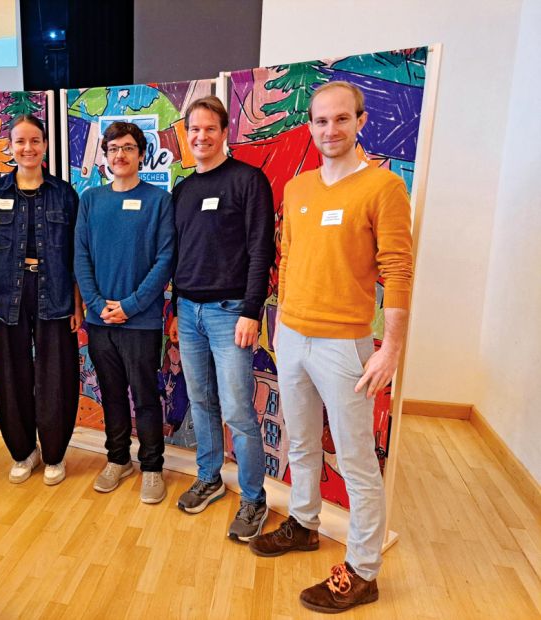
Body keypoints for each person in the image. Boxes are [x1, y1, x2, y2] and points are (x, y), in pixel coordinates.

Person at [249, 81, 413, 614]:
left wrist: (390, 348)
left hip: (346, 344)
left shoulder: (383, 188)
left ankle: (364, 571)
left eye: (342, 119)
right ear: (311, 126)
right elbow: (290, 260)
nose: (330, 130)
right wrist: (281, 327)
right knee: (300, 443)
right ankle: (303, 524)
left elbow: (397, 271)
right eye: (321, 121)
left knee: (357, 460)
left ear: (360, 121)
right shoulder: (298, 189)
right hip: (292, 336)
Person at [168, 96, 275, 541]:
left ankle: (253, 499)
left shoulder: (249, 181)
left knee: (236, 409)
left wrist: (251, 310)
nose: (200, 137)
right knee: (202, 401)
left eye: (209, 128)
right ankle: (210, 477)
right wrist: (175, 309)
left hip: (231, 313)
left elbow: (260, 250)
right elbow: (178, 254)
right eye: (194, 129)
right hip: (188, 311)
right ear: (186, 134)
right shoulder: (183, 189)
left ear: (224, 131)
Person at [0, 114, 82, 486]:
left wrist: (77, 305)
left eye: (35, 141)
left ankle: (53, 454)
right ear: (11, 146)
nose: (28, 148)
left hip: (56, 294)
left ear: (45, 145)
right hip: (5, 297)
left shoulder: (64, 193)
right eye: (20, 141)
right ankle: (23, 452)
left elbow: (75, 255)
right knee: (11, 376)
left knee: (56, 377)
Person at [74, 121, 175, 504]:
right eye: (113, 148)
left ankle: (151, 467)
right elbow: (80, 256)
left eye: (129, 147)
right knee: (112, 394)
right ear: (105, 155)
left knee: (145, 396)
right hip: (100, 321)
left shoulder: (158, 201)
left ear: (141, 154)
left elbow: (165, 259)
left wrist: (130, 305)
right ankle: (117, 459)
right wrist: (98, 305)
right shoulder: (91, 200)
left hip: (142, 321)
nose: (121, 154)